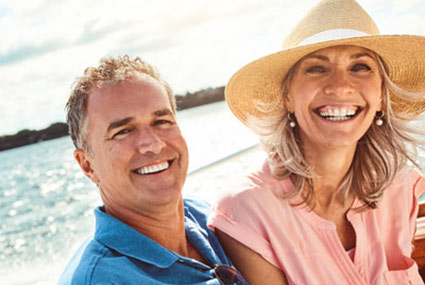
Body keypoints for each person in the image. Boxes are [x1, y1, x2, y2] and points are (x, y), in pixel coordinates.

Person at [208, 0, 425, 284]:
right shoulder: (245, 211)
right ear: (287, 97)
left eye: (360, 66)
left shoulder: (399, 186)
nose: (340, 85)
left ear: (382, 94)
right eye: (316, 69)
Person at [58, 56, 245, 285]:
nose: (153, 144)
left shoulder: (204, 216)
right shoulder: (102, 280)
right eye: (124, 131)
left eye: (162, 121)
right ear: (88, 165)